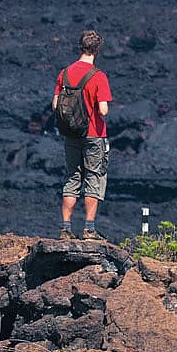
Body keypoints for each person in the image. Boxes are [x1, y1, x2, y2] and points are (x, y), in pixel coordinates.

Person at [52, 30, 113, 241]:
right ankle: (89, 229)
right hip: (94, 134)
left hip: (71, 133)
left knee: (72, 177)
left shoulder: (65, 74)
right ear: (97, 50)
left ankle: (65, 229)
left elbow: (55, 104)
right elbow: (103, 110)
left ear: (80, 47)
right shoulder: (98, 76)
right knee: (93, 177)